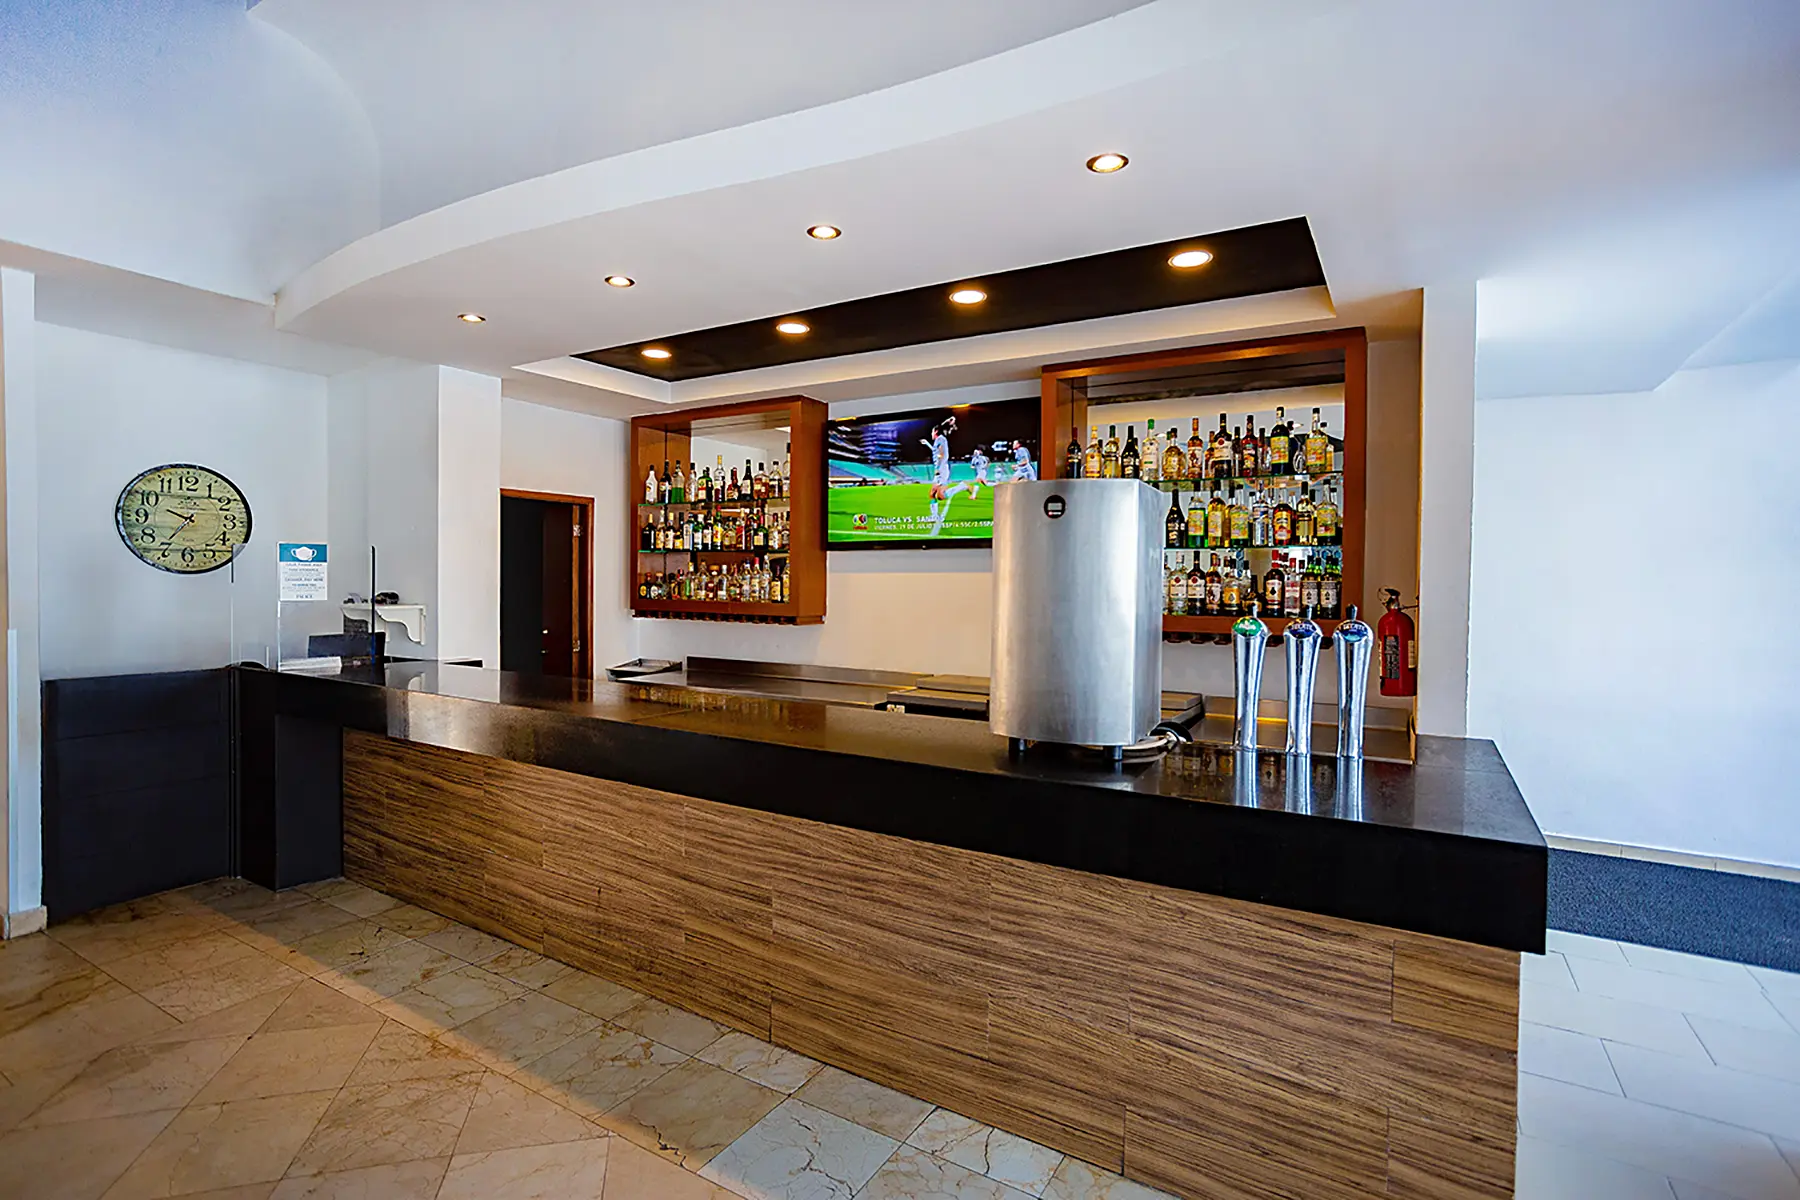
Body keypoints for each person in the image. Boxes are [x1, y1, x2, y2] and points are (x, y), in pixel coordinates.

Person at [920, 415, 966, 534]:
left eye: (932, 431)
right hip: (940, 469)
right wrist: (927, 444)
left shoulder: (940, 438)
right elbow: (936, 451)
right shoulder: (937, 440)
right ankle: (935, 516)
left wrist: (938, 468)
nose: (931, 433)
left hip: (941, 469)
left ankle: (960, 487)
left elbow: (940, 453)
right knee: (935, 494)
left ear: (935, 431)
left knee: (937, 495)